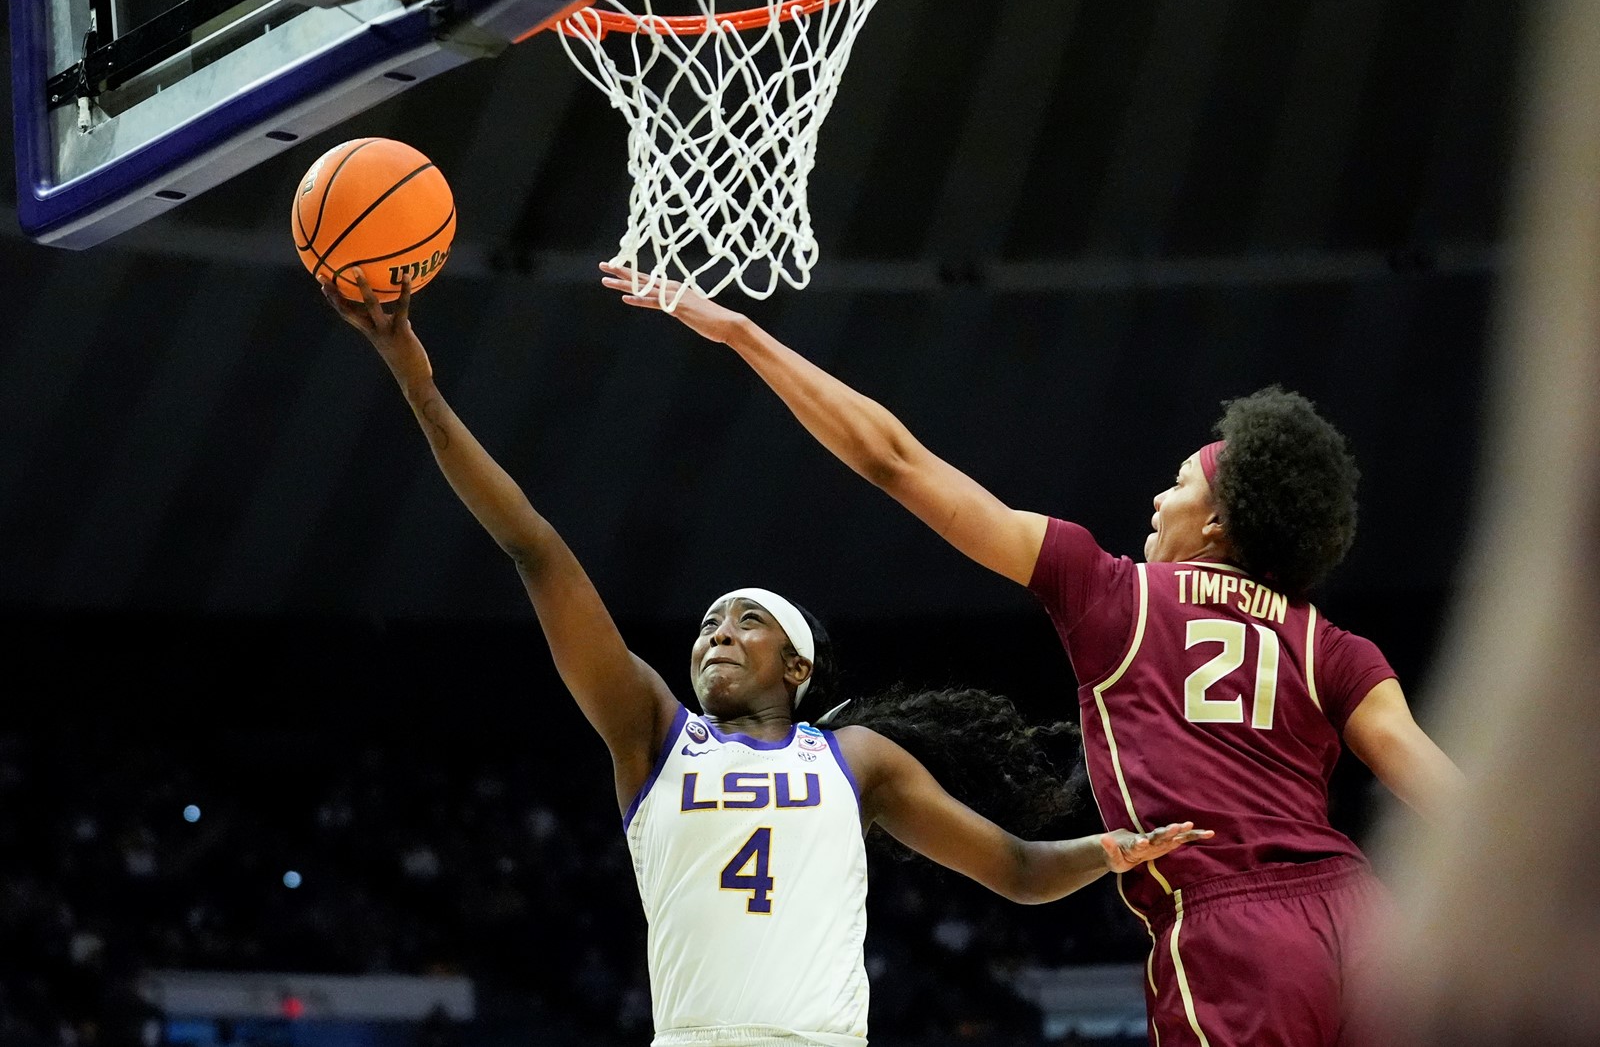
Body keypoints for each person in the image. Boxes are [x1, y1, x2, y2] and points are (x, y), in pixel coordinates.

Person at [323, 272, 1208, 1047]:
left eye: (747, 621)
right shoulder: (652, 734)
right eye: (709, 621)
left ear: (797, 668)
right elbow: (535, 548)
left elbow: (1015, 868)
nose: (716, 631)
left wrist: (1107, 850)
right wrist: (417, 380)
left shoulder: (854, 760)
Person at [600, 261, 1464, 1047]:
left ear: (1220, 522)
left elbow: (896, 460)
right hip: (1364, 919)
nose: (1159, 499)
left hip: (1235, 931)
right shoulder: (1336, 645)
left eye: (1180, 485)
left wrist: (742, 333)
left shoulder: (1112, 591)